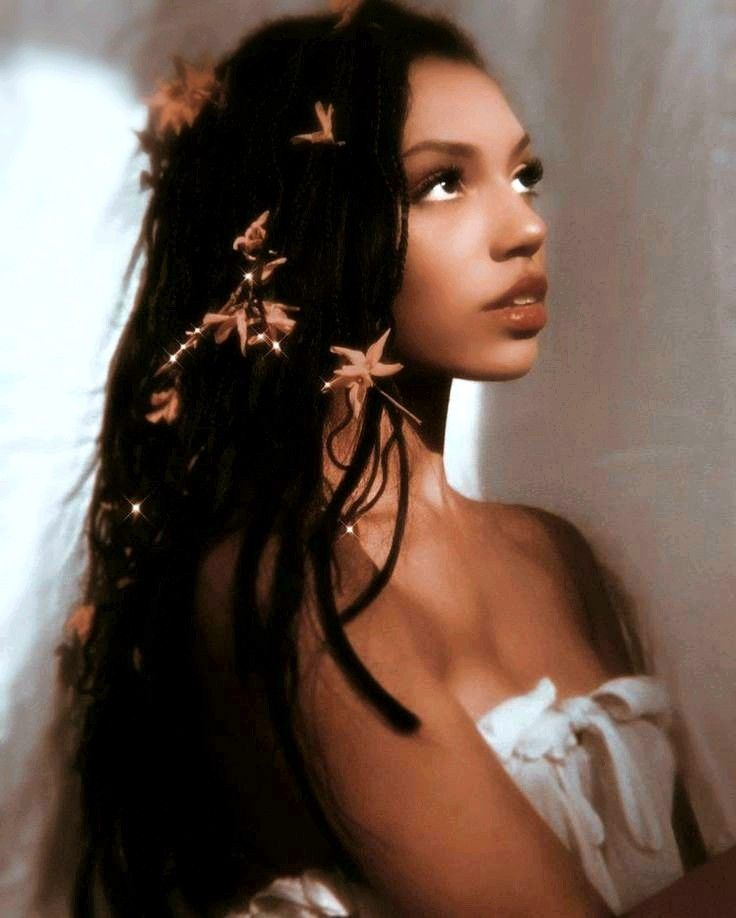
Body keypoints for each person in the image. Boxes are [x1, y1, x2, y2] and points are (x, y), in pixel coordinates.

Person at [65, 0, 735, 915]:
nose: (525, 227)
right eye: (444, 185)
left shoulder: (557, 555)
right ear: (301, 230)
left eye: (524, 174)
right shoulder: (287, 584)